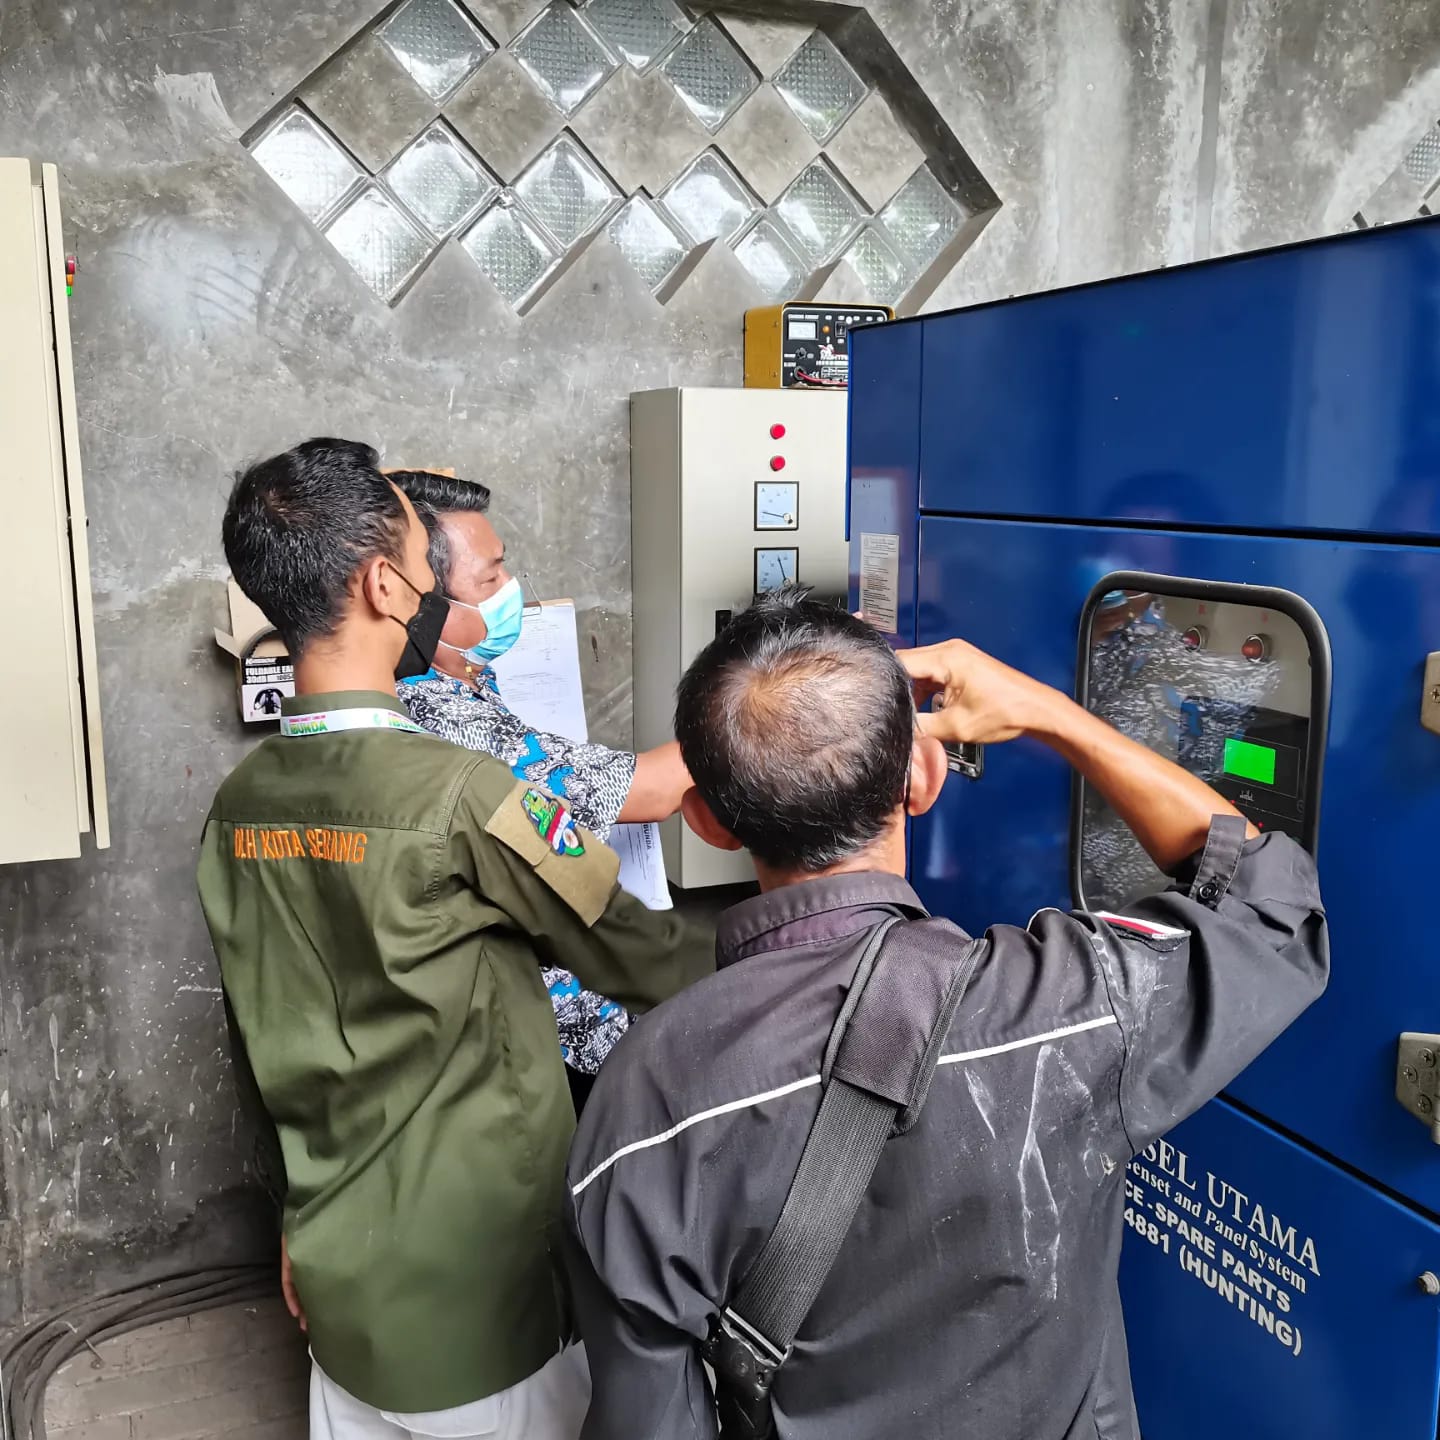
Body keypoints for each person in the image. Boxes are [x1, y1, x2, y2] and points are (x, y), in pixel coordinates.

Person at [564, 588, 1329, 1440]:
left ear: (703, 820)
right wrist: (1052, 715)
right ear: (924, 779)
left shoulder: (644, 1097)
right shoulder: (1069, 1006)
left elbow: (649, 1421)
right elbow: (1271, 905)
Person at [196, 438, 710, 1440]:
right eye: (429, 567)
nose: (443, 586)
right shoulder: (466, 797)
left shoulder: (238, 805)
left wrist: (301, 1224)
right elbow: (642, 955)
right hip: (486, 1306)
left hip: (344, 1291)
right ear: (385, 586)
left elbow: (261, 1043)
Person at [385, 468, 694, 1110]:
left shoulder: (463, 681)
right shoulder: (441, 718)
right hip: (545, 1046)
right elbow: (655, 790)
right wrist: (787, 700)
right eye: (489, 579)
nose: (509, 593)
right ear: (423, 605)